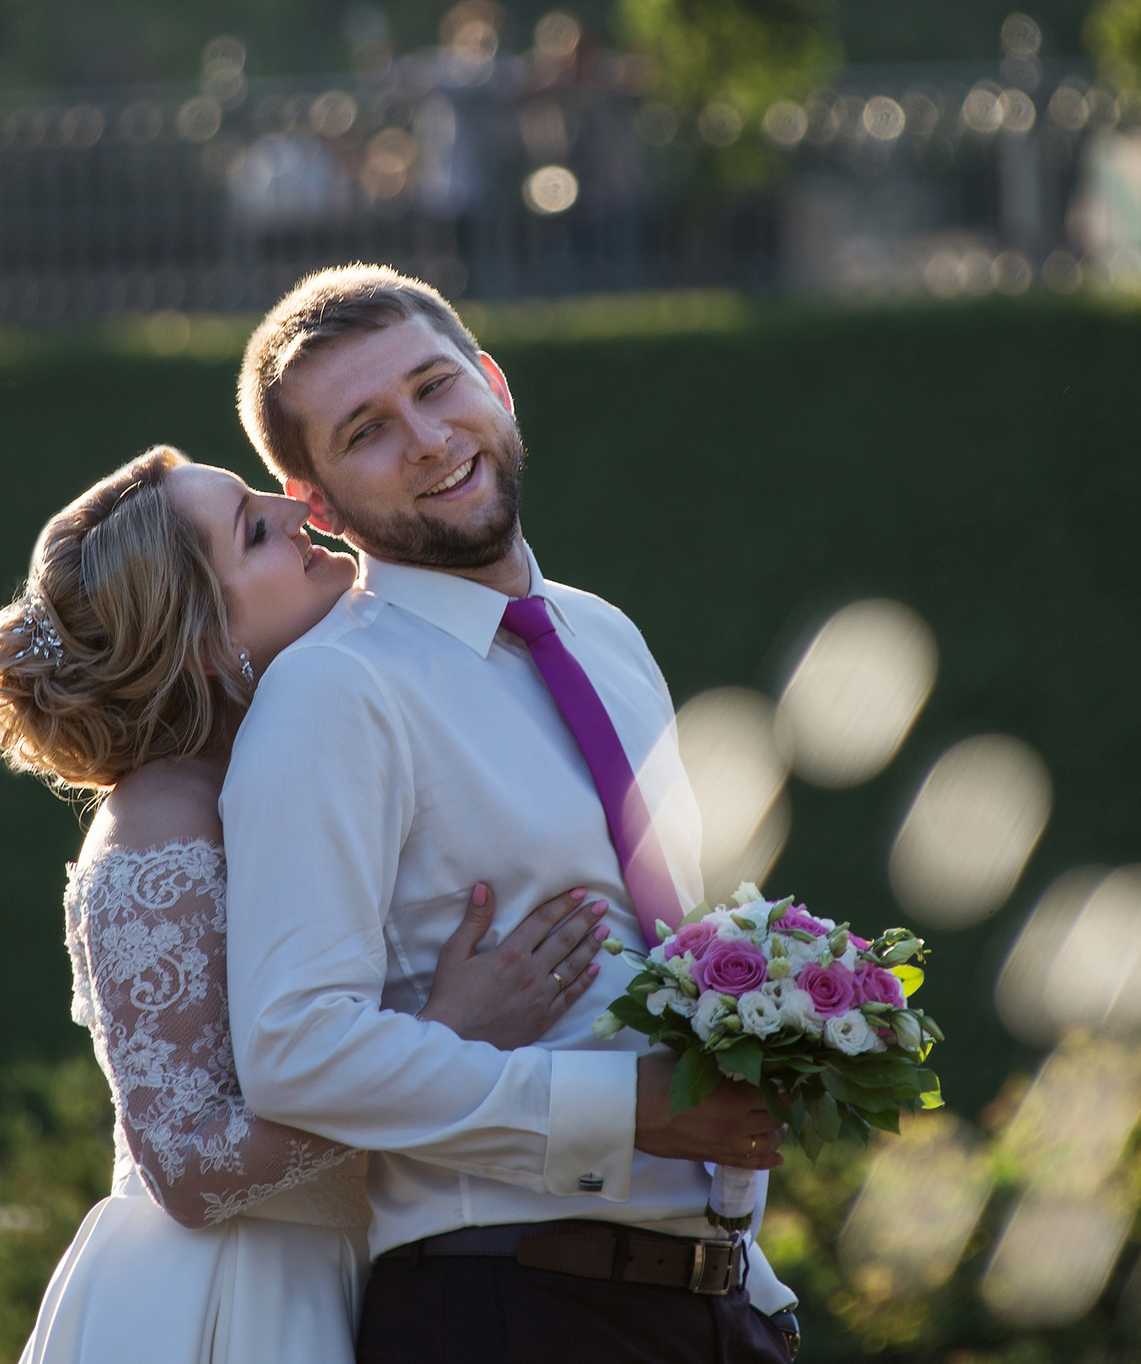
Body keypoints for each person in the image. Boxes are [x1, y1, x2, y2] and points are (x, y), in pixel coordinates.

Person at [222, 265, 802, 1363]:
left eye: (438, 387)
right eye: (367, 430)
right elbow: (295, 1049)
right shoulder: (334, 691)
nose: (430, 438)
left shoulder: (605, 636)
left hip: (717, 1301)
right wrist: (626, 1109)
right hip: (506, 1310)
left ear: (494, 382)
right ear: (320, 505)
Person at [0, 445, 615, 1364]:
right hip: (225, 1300)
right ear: (202, 636)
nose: (297, 508)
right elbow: (185, 1168)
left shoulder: (298, 752)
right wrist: (452, 1028)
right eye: (256, 529)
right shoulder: (158, 823)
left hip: (371, 1271)